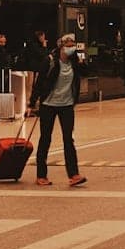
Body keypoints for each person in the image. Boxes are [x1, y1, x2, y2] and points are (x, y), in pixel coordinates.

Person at [28, 33, 88, 187]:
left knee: (69, 139)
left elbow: (87, 73)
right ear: (61, 47)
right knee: (45, 139)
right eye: (68, 46)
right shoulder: (50, 61)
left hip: (67, 105)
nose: (71, 49)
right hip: (48, 104)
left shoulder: (74, 63)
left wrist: (82, 63)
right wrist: (32, 103)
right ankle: (41, 175)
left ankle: (74, 174)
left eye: (73, 46)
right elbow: (39, 83)